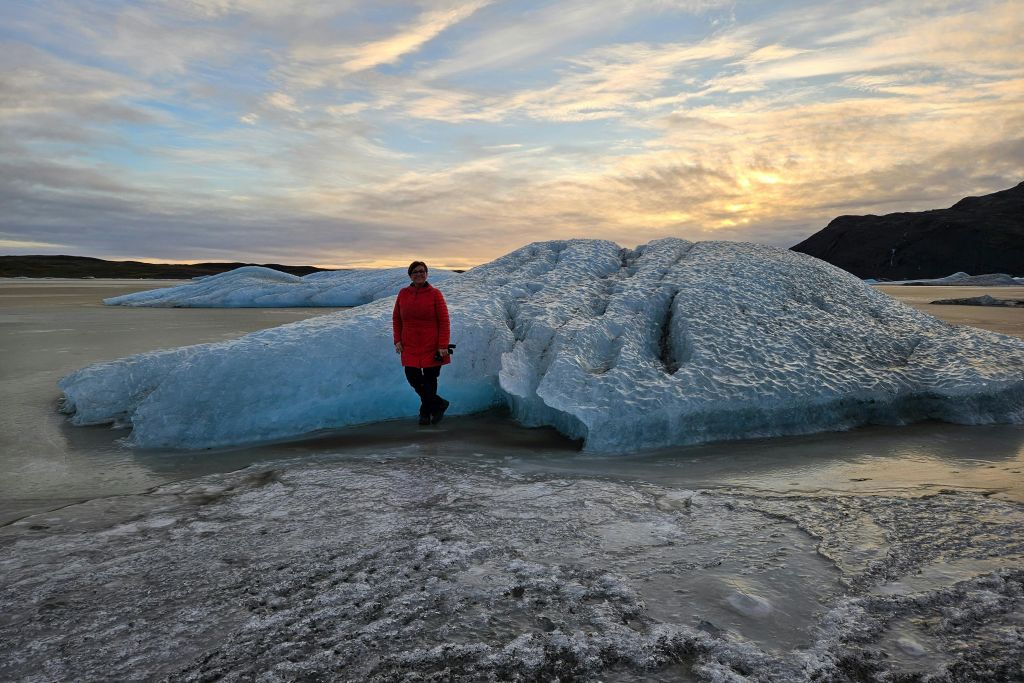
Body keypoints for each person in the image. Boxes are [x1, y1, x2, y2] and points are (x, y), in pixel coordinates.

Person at [392, 261, 451, 425]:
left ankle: (425, 414)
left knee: (430, 379)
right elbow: (397, 319)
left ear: (426, 274)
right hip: (409, 344)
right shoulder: (403, 294)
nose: (419, 274)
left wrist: (443, 345)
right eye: (415, 272)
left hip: (432, 344)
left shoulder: (435, 294)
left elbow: (444, 321)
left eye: (422, 271)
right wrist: (397, 340)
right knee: (413, 378)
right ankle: (439, 404)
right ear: (410, 275)